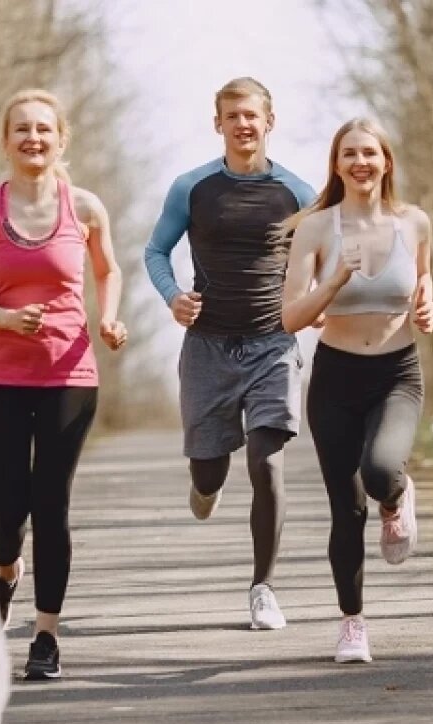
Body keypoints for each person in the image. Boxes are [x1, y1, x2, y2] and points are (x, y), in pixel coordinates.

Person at [0, 88, 128, 681]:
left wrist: (108, 317)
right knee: (6, 513)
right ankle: (5, 572)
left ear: (61, 139)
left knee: (52, 506)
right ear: (6, 141)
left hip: (69, 375)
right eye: (21, 129)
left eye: (44, 129)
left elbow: (109, 269)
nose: (33, 138)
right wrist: (4, 319)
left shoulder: (87, 209)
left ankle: (45, 635)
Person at [144, 77, 315, 630]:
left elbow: (324, 256)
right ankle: (204, 483)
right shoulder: (192, 187)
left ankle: (263, 587)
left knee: (266, 462)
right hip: (209, 347)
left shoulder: (298, 193)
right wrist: (173, 298)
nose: (244, 124)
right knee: (210, 470)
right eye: (232, 116)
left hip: (273, 345)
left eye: (252, 115)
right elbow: (156, 251)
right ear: (218, 124)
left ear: (271, 121)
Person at [279, 117, 433, 663]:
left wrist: (428, 301)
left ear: (386, 161)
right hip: (335, 380)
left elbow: (422, 275)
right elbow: (289, 317)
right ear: (337, 163)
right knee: (345, 509)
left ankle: (396, 495)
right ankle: (353, 624)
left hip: (397, 373)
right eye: (350, 154)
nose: (361, 162)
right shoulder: (317, 229)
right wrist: (332, 284)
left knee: (379, 471)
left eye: (370, 153)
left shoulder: (413, 222)